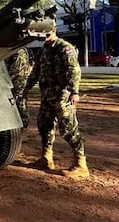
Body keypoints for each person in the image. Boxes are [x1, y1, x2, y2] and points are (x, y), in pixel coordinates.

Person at [25, 24, 89, 178]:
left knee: (69, 128)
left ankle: (81, 165)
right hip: (47, 95)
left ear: (54, 31)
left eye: (47, 33)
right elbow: (36, 71)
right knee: (44, 125)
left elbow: (74, 69)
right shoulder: (43, 50)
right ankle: (46, 158)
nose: (44, 36)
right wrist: (26, 88)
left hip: (62, 96)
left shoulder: (64, 47)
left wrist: (75, 92)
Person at [5, 47, 35, 129]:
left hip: (19, 81)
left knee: (19, 101)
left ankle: (23, 123)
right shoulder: (14, 50)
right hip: (16, 80)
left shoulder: (19, 51)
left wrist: (5, 78)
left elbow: (16, 68)